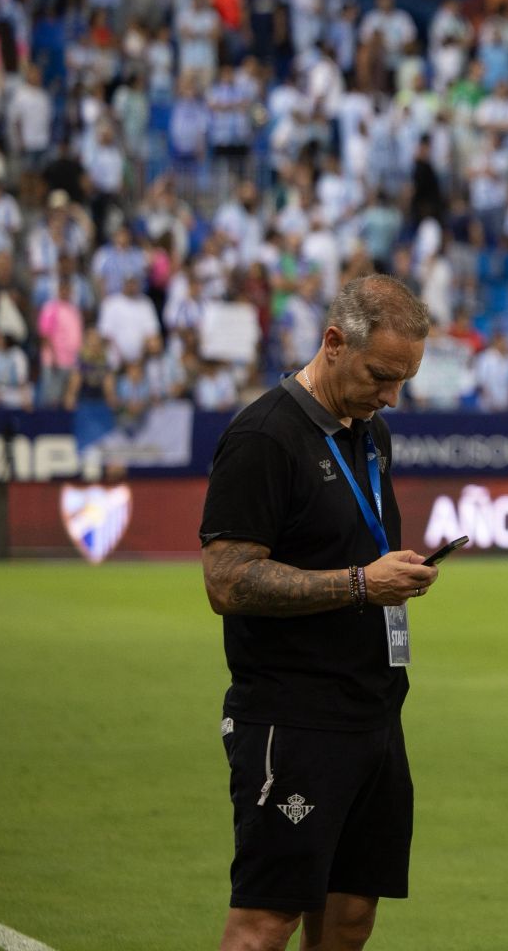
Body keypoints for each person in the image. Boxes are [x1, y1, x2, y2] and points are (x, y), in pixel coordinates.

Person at [199, 274, 439, 951]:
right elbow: (228, 581)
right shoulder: (263, 438)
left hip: (373, 711)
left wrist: (389, 577)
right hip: (291, 714)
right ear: (333, 343)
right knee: (266, 919)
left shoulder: (370, 433)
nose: (391, 396)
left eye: (404, 380)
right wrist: (362, 585)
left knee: (353, 913)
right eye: (381, 375)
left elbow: (348, 543)